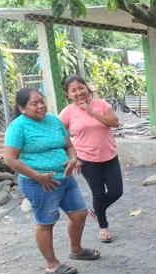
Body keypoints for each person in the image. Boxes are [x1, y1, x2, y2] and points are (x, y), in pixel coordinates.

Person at [3, 88, 99, 274]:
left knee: (79, 214)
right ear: (22, 108)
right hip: (40, 183)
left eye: (42, 101)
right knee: (46, 222)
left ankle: (76, 250)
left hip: (65, 178)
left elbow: (69, 146)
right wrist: (38, 176)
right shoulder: (18, 127)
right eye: (34, 103)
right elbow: (10, 159)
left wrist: (73, 159)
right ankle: (52, 264)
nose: (41, 106)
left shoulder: (54, 121)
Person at [59, 76, 122, 244]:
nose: (79, 92)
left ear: (87, 88)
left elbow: (115, 123)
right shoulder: (67, 113)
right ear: (68, 94)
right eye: (73, 90)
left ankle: (96, 210)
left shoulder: (102, 105)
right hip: (86, 159)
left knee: (117, 191)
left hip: (109, 155)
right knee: (98, 193)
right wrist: (73, 157)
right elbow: (60, 137)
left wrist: (91, 112)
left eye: (81, 88)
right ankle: (103, 227)